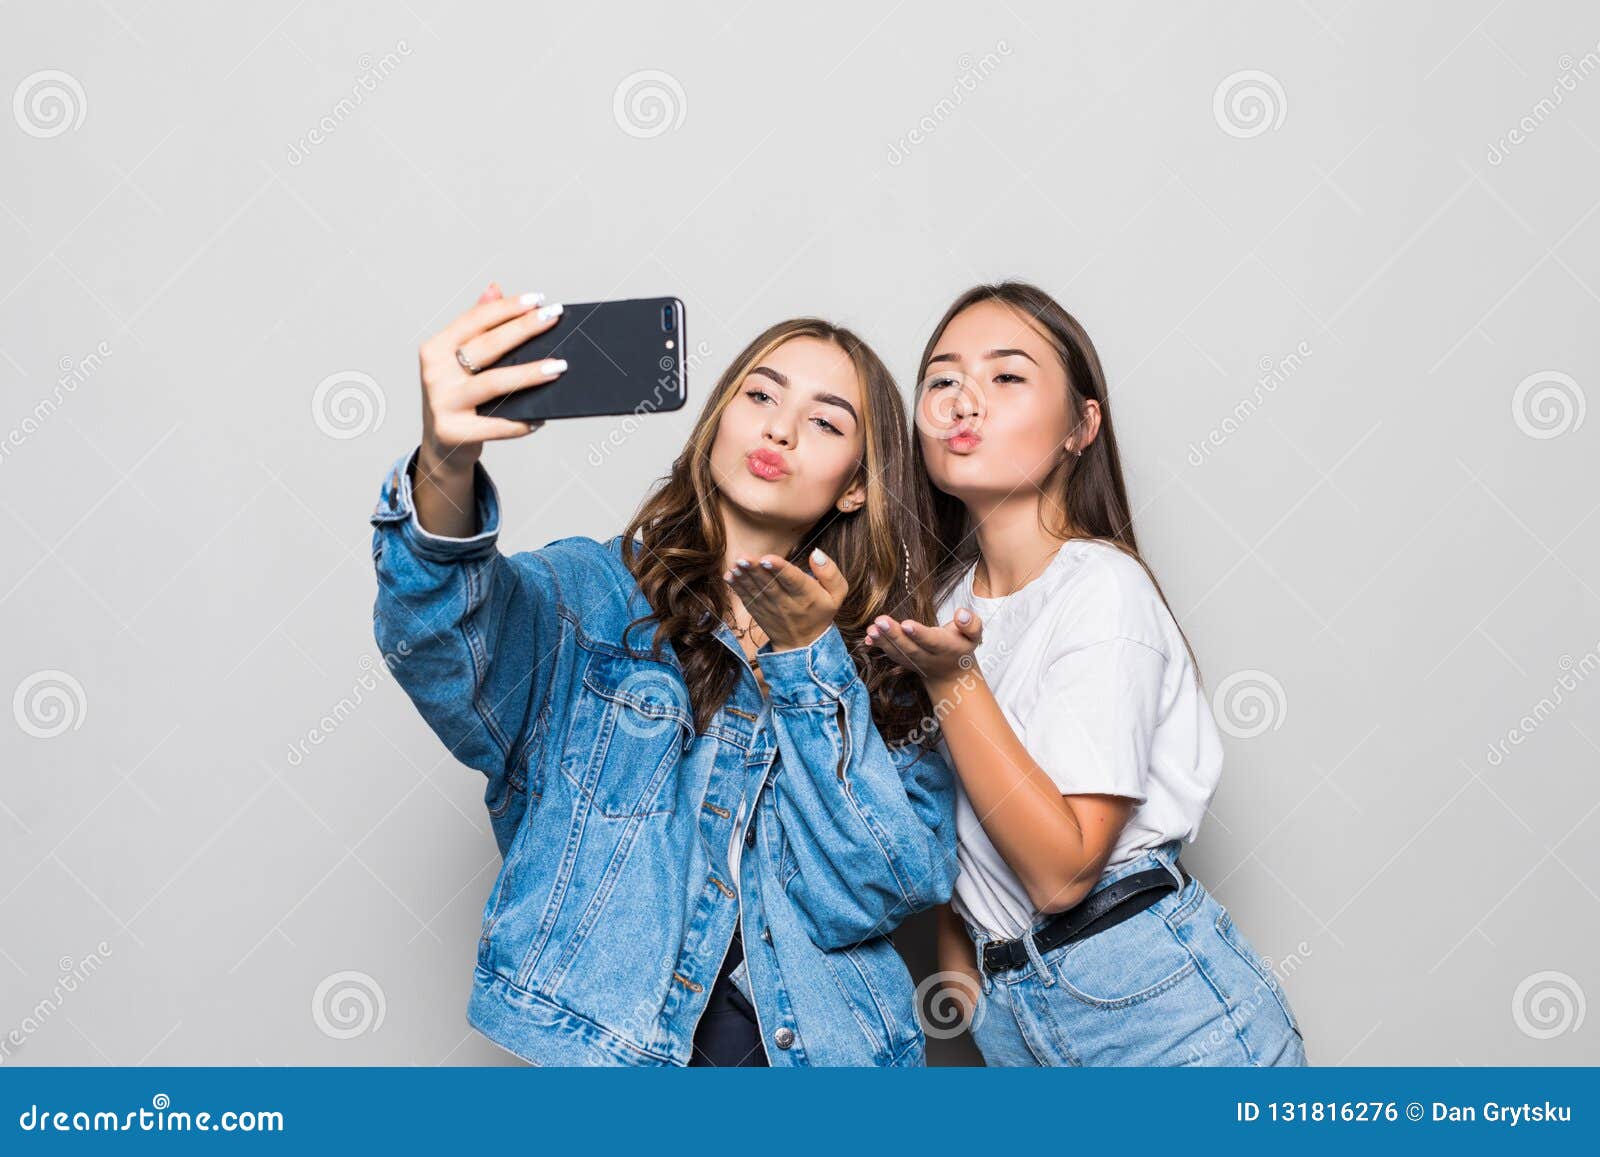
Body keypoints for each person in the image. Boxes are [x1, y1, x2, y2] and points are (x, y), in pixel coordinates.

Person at [369, 283, 957, 1066]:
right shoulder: (591, 596)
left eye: (825, 420)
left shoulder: (886, 666)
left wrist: (810, 661)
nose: (780, 427)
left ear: (856, 483)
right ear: (717, 421)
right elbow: (441, 642)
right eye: (759, 395)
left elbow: (882, 885)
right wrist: (445, 463)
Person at [866, 281, 1307, 1066]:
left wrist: (954, 683)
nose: (965, 401)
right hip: (1027, 1025)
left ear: (1081, 426)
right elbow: (940, 815)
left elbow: (1063, 870)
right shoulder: (937, 606)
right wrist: (971, 975)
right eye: (943, 379)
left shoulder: (1102, 589)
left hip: (1162, 1019)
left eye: (1007, 377)